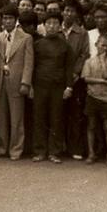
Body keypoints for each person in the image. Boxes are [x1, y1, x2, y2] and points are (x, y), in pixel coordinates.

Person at [31, 12, 73, 164]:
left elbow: (69, 68)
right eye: (49, 23)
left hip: (58, 87)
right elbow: (32, 67)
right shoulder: (37, 45)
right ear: (44, 25)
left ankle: (54, 152)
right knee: (39, 118)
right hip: (40, 86)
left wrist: (69, 87)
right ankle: (39, 151)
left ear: (60, 25)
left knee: (56, 118)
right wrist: (30, 86)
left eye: (55, 23)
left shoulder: (65, 45)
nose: (52, 26)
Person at [0, 4, 34, 161]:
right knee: (2, 116)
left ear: (16, 20)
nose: (7, 21)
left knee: (16, 118)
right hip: (1, 81)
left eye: (10, 18)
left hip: (17, 82)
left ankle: (16, 149)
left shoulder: (25, 38)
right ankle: (2, 147)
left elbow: (29, 62)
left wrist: (26, 82)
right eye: (5, 18)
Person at [81, 34, 107, 167]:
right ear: (96, 45)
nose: (104, 48)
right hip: (92, 96)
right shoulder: (89, 62)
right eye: (102, 45)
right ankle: (91, 153)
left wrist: (103, 61)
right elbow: (86, 78)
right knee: (91, 125)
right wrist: (102, 81)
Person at [61, 0, 90, 160]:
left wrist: (75, 73)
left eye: (72, 11)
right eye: (66, 10)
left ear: (76, 14)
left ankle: (75, 148)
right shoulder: (55, 29)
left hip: (75, 79)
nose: (68, 13)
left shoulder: (82, 33)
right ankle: (59, 146)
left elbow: (84, 55)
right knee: (58, 113)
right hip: (57, 78)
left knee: (75, 114)